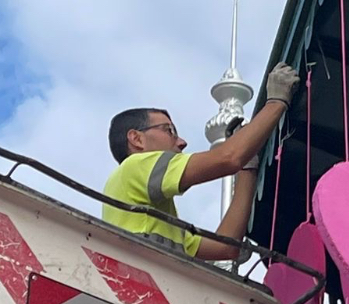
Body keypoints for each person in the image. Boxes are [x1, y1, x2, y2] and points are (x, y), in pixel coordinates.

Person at [102, 63, 300, 262]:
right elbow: (228, 158)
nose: (182, 142)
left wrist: (247, 168)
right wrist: (276, 102)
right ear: (137, 139)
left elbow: (225, 248)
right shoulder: (135, 166)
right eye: (169, 130)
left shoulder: (156, 215)